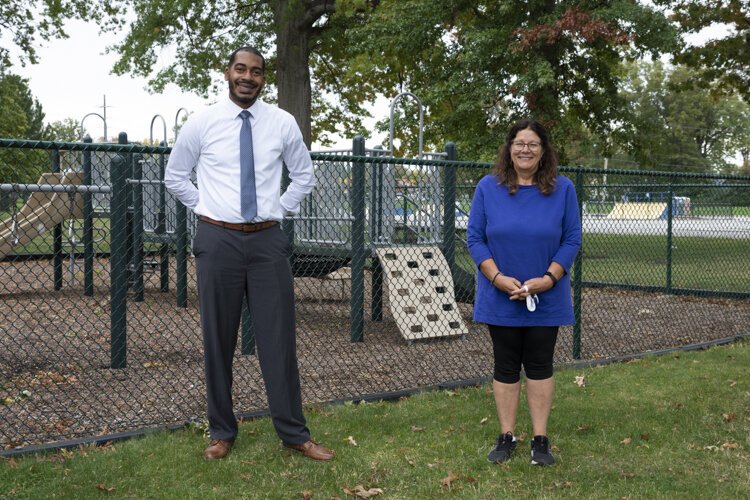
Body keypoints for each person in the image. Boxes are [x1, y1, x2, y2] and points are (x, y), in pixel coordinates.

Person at [165, 46, 334, 462]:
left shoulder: (281, 123)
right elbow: (175, 176)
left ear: (263, 79)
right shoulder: (202, 123)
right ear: (227, 73)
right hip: (217, 240)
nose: (248, 77)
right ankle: (222, 432)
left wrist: (279, 209)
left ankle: (294, 433)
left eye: (256, 72)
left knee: (278, 340)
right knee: (218, 341)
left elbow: (304, 176)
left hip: (267, 243)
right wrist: (208, 206)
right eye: (241, 69)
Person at [466, 119, 581, 466]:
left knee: (539, 364)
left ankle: (540, 439)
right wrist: (497, 277)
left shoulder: (563, 189)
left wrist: (549, 278)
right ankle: (506, 436)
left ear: (544, 151)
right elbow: (475, 238)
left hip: (547, 293)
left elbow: (572, 239)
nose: (525, 149)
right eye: (519, 143)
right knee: (504, 365)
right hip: (499, 292)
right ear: (509, 148)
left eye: (532, 144)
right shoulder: (488, 187)